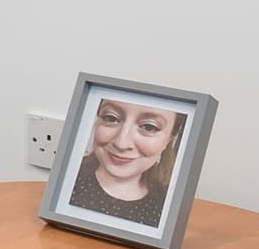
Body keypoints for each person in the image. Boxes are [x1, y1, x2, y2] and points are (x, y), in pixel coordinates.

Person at [66, 94, 183, 227]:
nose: (121, 143)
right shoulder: (65, 181)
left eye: (149, 127)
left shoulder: (168, 208)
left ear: (169, 140)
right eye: (111, 118)